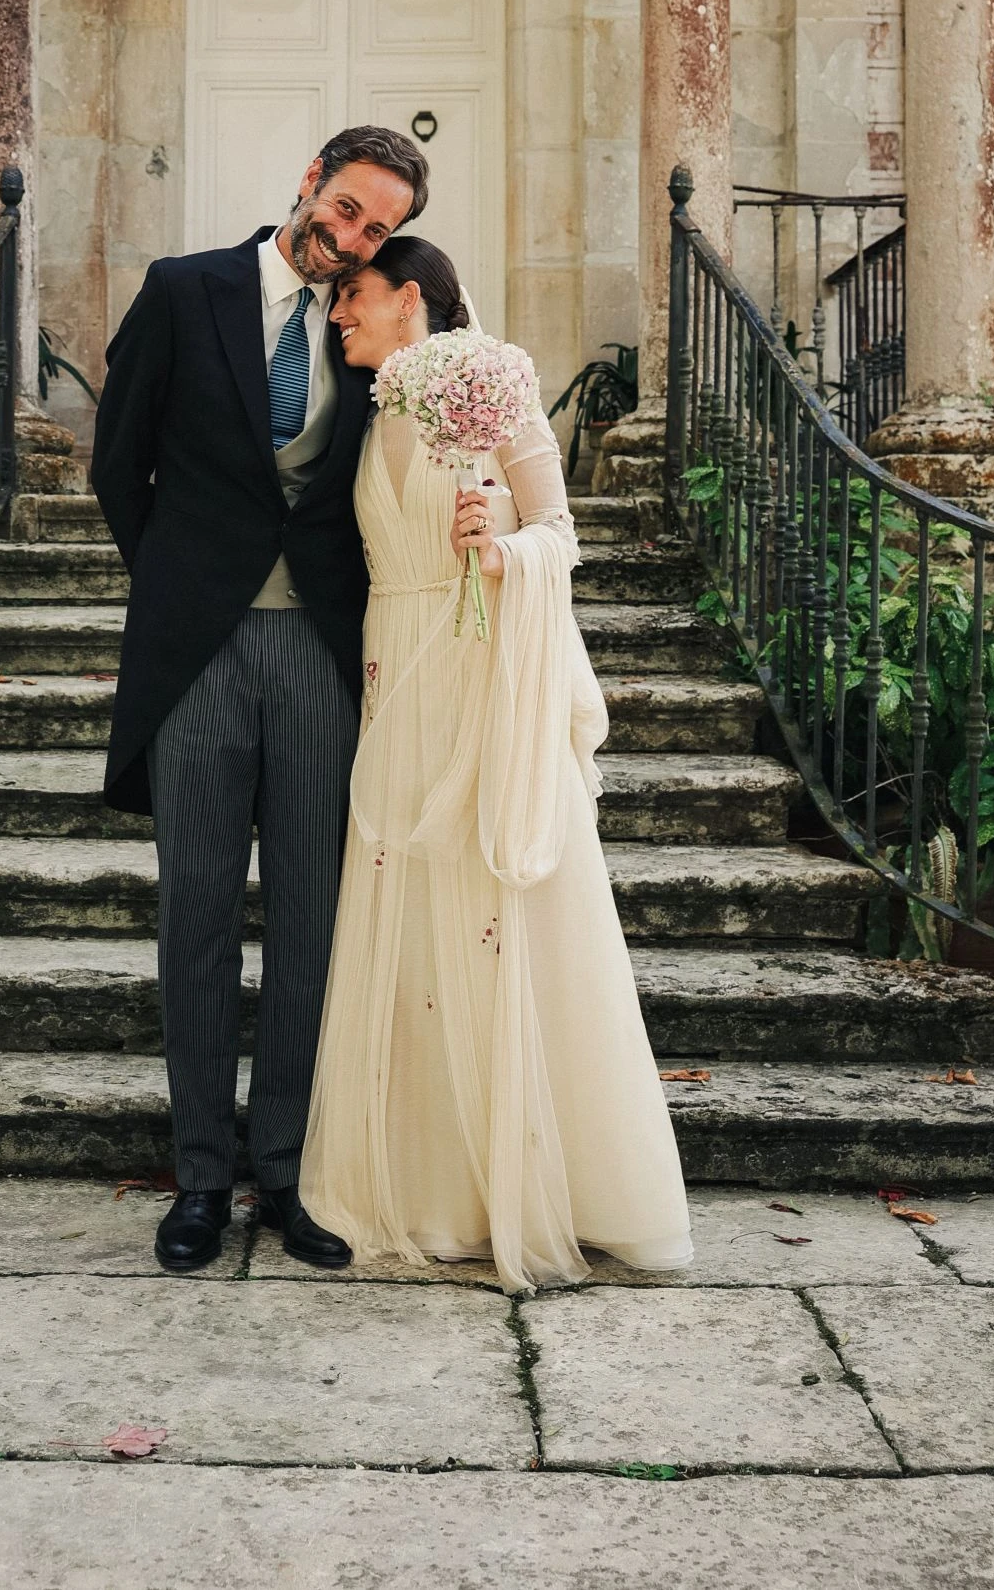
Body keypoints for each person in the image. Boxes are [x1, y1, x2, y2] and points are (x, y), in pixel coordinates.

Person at [300, 235, 693, 1290]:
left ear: (409, 299)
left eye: (353, 296)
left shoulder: (494, 388)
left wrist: (499, 550)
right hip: (394, 674)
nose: (338, 316)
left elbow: (561, 531)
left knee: (492, 912)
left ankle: (528, 1185)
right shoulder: (369, 410)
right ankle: (422, 1186)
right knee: (405, 911)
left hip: (480, 674)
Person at [91, 125, 429, 1274]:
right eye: (347, 207)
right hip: (199, 653)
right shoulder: (185, 291)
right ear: (308, 183)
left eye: (378, 227)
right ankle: (199, 1177)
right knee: (193, 914)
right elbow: (118, 461)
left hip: (323, 655)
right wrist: (180, 586)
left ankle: (284, 1172)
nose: (353, 236)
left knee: (311, 920)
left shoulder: (370, 323)